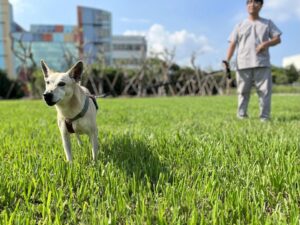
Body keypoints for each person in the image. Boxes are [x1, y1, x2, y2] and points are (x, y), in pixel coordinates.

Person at [224, 0, 282, 121]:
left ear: (261, 5)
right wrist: (227, 60)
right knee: (242, 92)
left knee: (264, 92)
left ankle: (265, 118)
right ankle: (241, 116)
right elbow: (232, 44)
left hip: (262, 63)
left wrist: (266, 43)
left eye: (256, 2)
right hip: (243, 63)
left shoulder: (267, 23)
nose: (252, 4)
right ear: (246, 6)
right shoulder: (240, 25)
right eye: (249, 2)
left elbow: (277, 39)